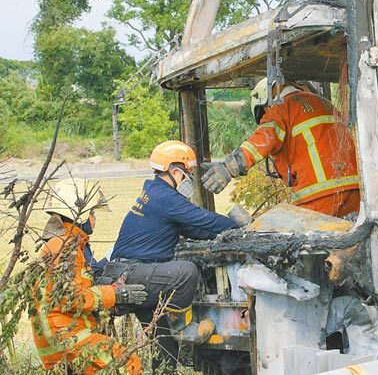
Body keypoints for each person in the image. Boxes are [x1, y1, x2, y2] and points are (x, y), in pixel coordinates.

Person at [105, 140, 238, 372]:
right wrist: (238, 227)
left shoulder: (155, 194)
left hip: (134, 275)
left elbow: (193, 229)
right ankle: (183, 328)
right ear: (174, 171)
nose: (188, 179)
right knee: (186, 272)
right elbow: (204, 219)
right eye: (187, 174)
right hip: (135, 274)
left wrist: (221, 233)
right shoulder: (166, 199)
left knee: (164, 347)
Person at [201, 78, 360, 218]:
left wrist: (228, 168)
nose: (265, 117)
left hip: (319, 195)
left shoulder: (283, 107)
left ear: (265, 104)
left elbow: (263, 139)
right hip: (355, 190)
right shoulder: (323, 103)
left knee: (306, 247)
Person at [32, 177, 144, 373]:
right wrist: (115, 294)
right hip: (64, 335)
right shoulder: (66, 248)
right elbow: (73, 298)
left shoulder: (63, 243)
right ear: (79, 213)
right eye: (92, 213)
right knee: (128, 361)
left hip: (59, 335)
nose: (94, 218)